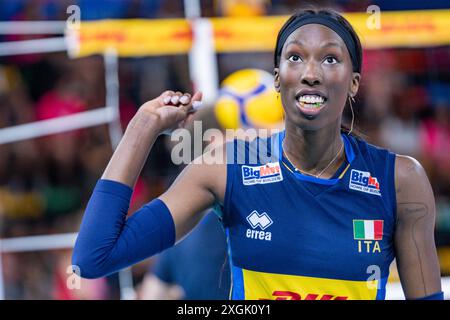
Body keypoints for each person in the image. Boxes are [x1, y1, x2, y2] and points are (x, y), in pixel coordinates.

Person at [72, 8, 443, 300]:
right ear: (278, 80)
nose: (311, 73)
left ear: (354, 82)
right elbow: (94, 258)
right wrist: (144, 126)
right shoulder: (226, 167)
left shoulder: (399, 180)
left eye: (330, 59)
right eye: (295, 58)